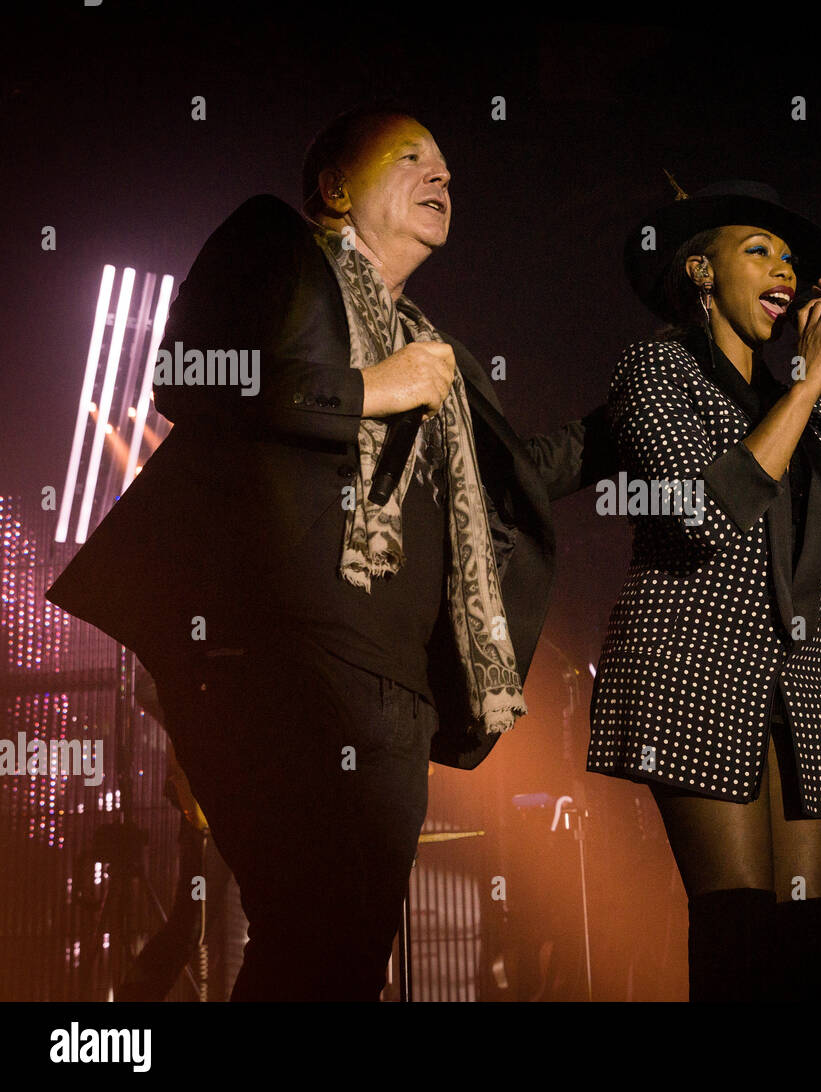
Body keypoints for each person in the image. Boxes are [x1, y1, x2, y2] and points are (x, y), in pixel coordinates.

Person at [47, 104, 613, 1000]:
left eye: (450, 167)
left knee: (344, 949)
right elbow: (188, 375)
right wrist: (366, 390)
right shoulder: (278, 244)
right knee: (314, 926)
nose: (444, 177)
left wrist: (616, 430)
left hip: (397, 683)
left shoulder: (436, 349)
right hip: (276, 651)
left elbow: (513, 477)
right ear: (336, 187)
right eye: (414, 156)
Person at [587, 180, 821, 1001]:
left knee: (802, 941)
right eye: (759, 249)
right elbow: (707, 514)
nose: (784, 269)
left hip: (797, 684)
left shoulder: (802, 408)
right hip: (695, 664)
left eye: (791, 258)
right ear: (700, 272)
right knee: (739, 934)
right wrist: (807, 387)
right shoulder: (657, 368)